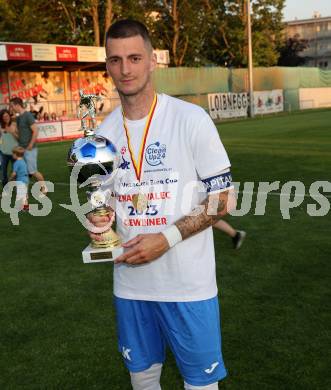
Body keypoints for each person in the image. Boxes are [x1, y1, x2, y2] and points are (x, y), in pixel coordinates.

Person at [88, 20, 237, 390]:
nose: (125, 69)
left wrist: (166, 238)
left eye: (135, 57)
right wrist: (98, 224)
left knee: (200, 385)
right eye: (116, 60)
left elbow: (223, 200)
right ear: (107, 65)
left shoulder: (190, 119)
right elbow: (102, 203)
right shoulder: (102, 134)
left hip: (189, 287)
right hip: (131, 287)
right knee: (142, 380)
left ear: (152, 61)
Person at [9, 97, 47, 194]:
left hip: (30, 149)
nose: (11, 108)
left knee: (32, 171)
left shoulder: (27, 115)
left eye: (12, 106)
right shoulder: (18, 118)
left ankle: (44, 188)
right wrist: (13, 133)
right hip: (21, 149)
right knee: (21, 170)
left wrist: (30, 144)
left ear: (17, 105)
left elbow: (35, 130)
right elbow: (19, 136)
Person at [0, 109, 18, 188]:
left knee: (16, 172)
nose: (5, 118)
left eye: (7, 116)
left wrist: (12, 132)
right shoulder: (0, 126)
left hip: (15, 153)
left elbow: (20, 139)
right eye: (3, 117)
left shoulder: (14, 125)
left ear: (9, 116)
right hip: (4, 153)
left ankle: (18, 189)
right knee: (4, 174)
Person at [9, 146, 29, 210]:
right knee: (24, 194)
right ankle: (26, 206)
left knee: (20, 194)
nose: (12, 155)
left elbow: (14, 173)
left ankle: (20, 207)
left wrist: (10, 178)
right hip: (26, 180)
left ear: (15, 154)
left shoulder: (16, 163)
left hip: (20, 180)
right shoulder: (23, 161)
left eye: (13, 153)